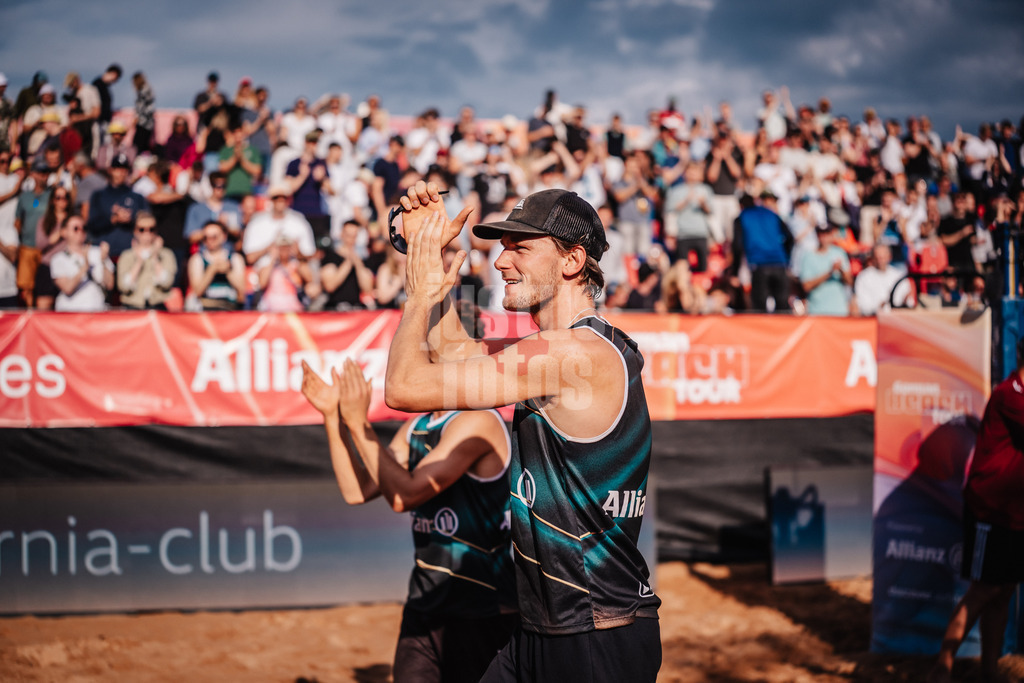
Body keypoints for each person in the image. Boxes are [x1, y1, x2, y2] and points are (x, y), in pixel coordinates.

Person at [385, 182, 661, 682]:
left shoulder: (568, 355)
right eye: (502, 247)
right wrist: (427, 249)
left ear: (573, 260)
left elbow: (404, 386)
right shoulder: (557, 351)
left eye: (521, 248)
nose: (500, 262)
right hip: (544, 629)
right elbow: (451, 352)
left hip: (595, 636)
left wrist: (418, 296)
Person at [300, 347, 518, 683]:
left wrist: (360, 426)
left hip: (481, 607)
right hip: (425, 602)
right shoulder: (418, 426)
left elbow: (407, 495)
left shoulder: (478, 420)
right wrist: (334, 418)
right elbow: (356, 491)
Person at [927, 338, 1024, 683]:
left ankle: (989, 671)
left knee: (1004, 591)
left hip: (1014, 512)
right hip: (989, 510)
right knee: (984, 591)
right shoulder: (1011, 394)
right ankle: (943, 666)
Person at [49, 214, 113, 312]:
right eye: (76, 228)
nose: (80, 231)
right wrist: (85, 267)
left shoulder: (98, 252)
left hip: (97, 311)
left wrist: (103, 261)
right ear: (64, 232)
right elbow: (67, 288)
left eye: (84, 228)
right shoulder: (58, 259)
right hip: (70, 313)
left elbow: (109, 284)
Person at [117, 211, 177, 310]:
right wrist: (139, 262)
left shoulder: (166, 254)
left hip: (158, 307)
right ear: (135, 231)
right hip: (132, 308)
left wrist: (155, 257)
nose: (147, 233)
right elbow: (124, 287)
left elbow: (166, 283)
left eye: (151, 229)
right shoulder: (126, 255)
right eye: (142, 229)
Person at [187, 219, 246, 311]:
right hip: (205, 310)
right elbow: (197, 293)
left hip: (230, 310)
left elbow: (242, 295)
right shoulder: (197, 259)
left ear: (224, 236)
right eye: (205, 237)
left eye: (214, 237)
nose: (210, 241)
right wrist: (211, 270)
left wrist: (227, 271)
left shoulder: (235, 259)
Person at [799, 223, 853, 316]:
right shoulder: (808, 256)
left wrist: (840, 270)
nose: (824, 238)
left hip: (839, 311)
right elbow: (806, 286)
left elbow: (849, 282)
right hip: (817, 311)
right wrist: (830, 272)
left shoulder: (839, 253)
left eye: (827, 234)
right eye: (821, 234)